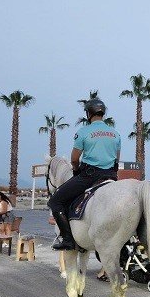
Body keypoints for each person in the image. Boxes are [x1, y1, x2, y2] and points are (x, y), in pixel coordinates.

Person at [48, 98, 120, 250]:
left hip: (89, 176)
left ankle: (67, 239)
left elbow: (74, 159)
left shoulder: (83, 132)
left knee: (55, 202)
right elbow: (116, 159)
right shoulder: (115, 134)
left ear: (89, 113)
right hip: (111, 176)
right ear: (103, 113)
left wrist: (76, 170)